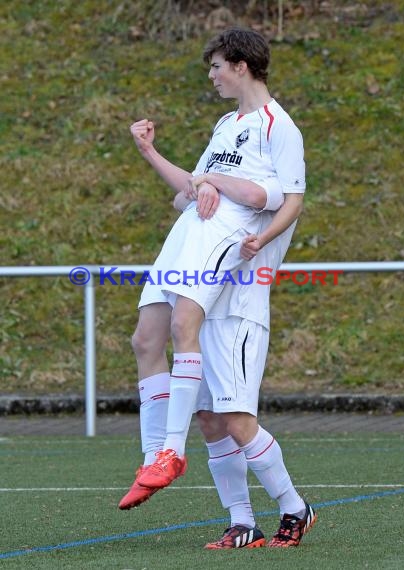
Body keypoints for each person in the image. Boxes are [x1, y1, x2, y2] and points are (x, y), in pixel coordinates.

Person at [119, 27, 317, 549]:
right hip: (206, 282)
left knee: (235, 417)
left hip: (240, 294)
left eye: (215, 66)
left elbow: (282, 197)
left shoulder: (280, 127)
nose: (211, 76)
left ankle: (295, 509)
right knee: (209, 418)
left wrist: (250, 225)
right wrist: (153, 153)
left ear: (242, 65)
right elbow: (193, 187)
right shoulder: (226, 124)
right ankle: (241, 521)